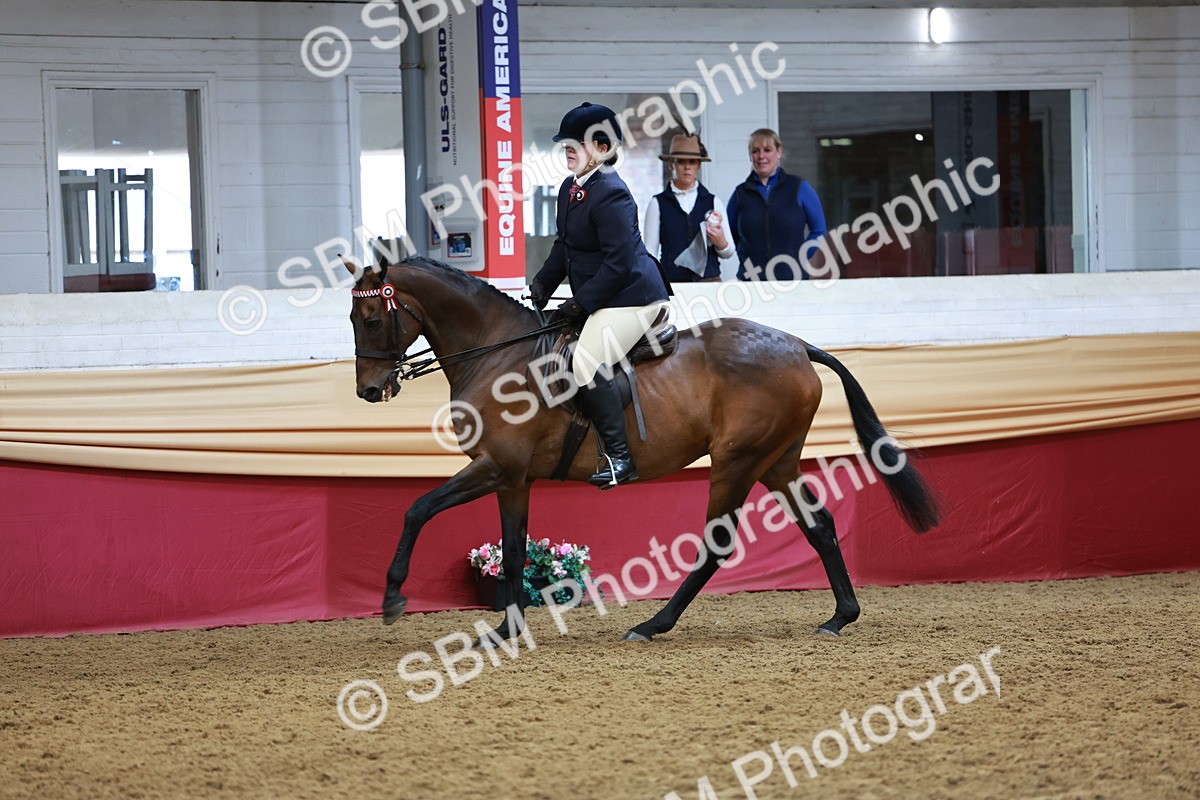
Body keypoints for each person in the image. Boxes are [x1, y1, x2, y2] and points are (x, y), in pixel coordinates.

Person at [529, 102, 671, 490]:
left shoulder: (612, 192)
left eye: (575, 144)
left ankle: (620, 458)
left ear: (603, 149)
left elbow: (619, 264)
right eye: (565, 145)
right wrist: (543, 282)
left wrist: (581, 302)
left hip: (633, 297)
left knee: (587, 362)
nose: (567, 150)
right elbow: (565, 246)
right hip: (605, 295)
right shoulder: (570, 188)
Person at [726, 128, 828, 281]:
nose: (761, 156)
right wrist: (746, 261)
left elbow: (819, 230)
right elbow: (730, 236)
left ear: (779, 152)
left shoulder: (799, 187)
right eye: (755, 151)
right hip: (751, 284)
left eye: (767, 150)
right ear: (750, 156)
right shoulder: (740, 195)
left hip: (793, 281)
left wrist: (800, 258)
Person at [642, 134, 735, 283]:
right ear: (671, 164)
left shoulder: (713, 201)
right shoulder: (658, 203)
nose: (687, 167)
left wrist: (720, 241)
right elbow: (649, 253)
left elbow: (728, 252)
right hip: (673, 285)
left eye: (692, 162)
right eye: (681, 161)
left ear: (698, 164)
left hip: (709, 284)